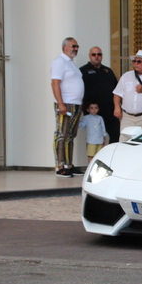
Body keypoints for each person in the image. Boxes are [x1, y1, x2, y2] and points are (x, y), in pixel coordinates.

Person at [51, 37, 85, 178]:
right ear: (65, 47)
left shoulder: (71, 64)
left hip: (76, 104)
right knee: (62, 134)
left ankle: (68, 164)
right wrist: (61, 103)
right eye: (73, 46)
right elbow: (55, 84)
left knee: (70, 135)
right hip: (66, 104)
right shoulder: (59, 62)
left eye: (77, 46)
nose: (76, 49)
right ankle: (60, 166)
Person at [80, 46, 119, 143]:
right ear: (89, 56)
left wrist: (118, 107)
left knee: (115, 135)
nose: (96, 56)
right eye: (94, 54)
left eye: (99, 54)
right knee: (95, 139)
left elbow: (116, 90)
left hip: (109, 111)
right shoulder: (83, 71)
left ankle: (111, 157)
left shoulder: (108, 71)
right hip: (93, 112)